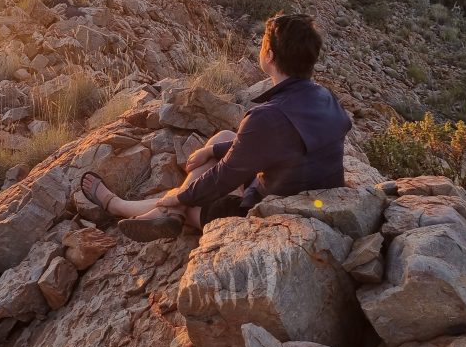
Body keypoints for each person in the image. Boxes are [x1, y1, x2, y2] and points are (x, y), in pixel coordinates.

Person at [80, 13, 353, 241]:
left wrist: (180, 198)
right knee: (223, 137)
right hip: (301, 188)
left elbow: (223, 178)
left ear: (269, 55)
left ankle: (123, 206)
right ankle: (168, 213)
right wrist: (213, 150)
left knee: (189, 204)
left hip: (270, 212)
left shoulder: (268, 117)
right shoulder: (325, 97)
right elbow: (279, 144)